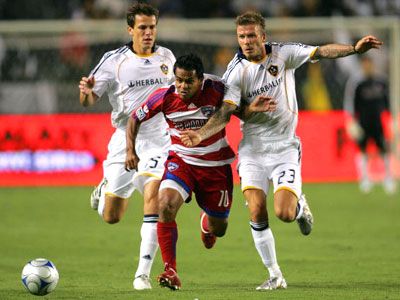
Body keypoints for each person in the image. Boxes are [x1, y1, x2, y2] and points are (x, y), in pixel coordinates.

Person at [180, 11, 383, 290]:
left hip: (284, 147)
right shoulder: (235, 72)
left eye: (251, 35)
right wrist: (205, 132)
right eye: (241, 37)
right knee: (256, 209)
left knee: (284, 213)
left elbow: (321, 51)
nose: (247, 41)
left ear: (263, 35)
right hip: (253, 149)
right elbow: (227, 111)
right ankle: (275, 275)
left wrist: (353, 49)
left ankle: (299, 208)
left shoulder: (283, 54)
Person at [125, 53, 275, 291]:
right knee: (164, 204)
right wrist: (130, 151)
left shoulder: (217, 88)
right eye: (179, 80)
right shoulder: (164, 96)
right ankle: (170, 269)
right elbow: (134, 118)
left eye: (188, 81)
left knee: (220, 228)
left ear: (201, 79)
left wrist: (250, 110)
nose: (182, 86)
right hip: (181, 162)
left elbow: (234, 113)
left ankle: (207, 225)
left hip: (215, 167)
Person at [78, 2, 175, 290]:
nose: (148, 33)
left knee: (154, 198)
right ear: (130, 29)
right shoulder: (113, 60)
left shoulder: (167, 57)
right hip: (124, 139)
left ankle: (142, 274)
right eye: (142, 28)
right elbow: (90, 99)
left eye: (152, 27)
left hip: (159, 139)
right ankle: (105, 185)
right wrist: (85, 93)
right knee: (111, 216)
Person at [344, 55, 396, 194]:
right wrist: (351, 121)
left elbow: (388, 102)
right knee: (362, 150)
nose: (367, 67)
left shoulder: (381, 81)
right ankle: (365, 179)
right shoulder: (356, 83)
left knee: (384, 149)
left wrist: (392, 119)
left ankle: (388, 178)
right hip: (363, 122)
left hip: (378, 122)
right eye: (365, 64)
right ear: (362, 65)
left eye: (369, 64)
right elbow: (350, 103)